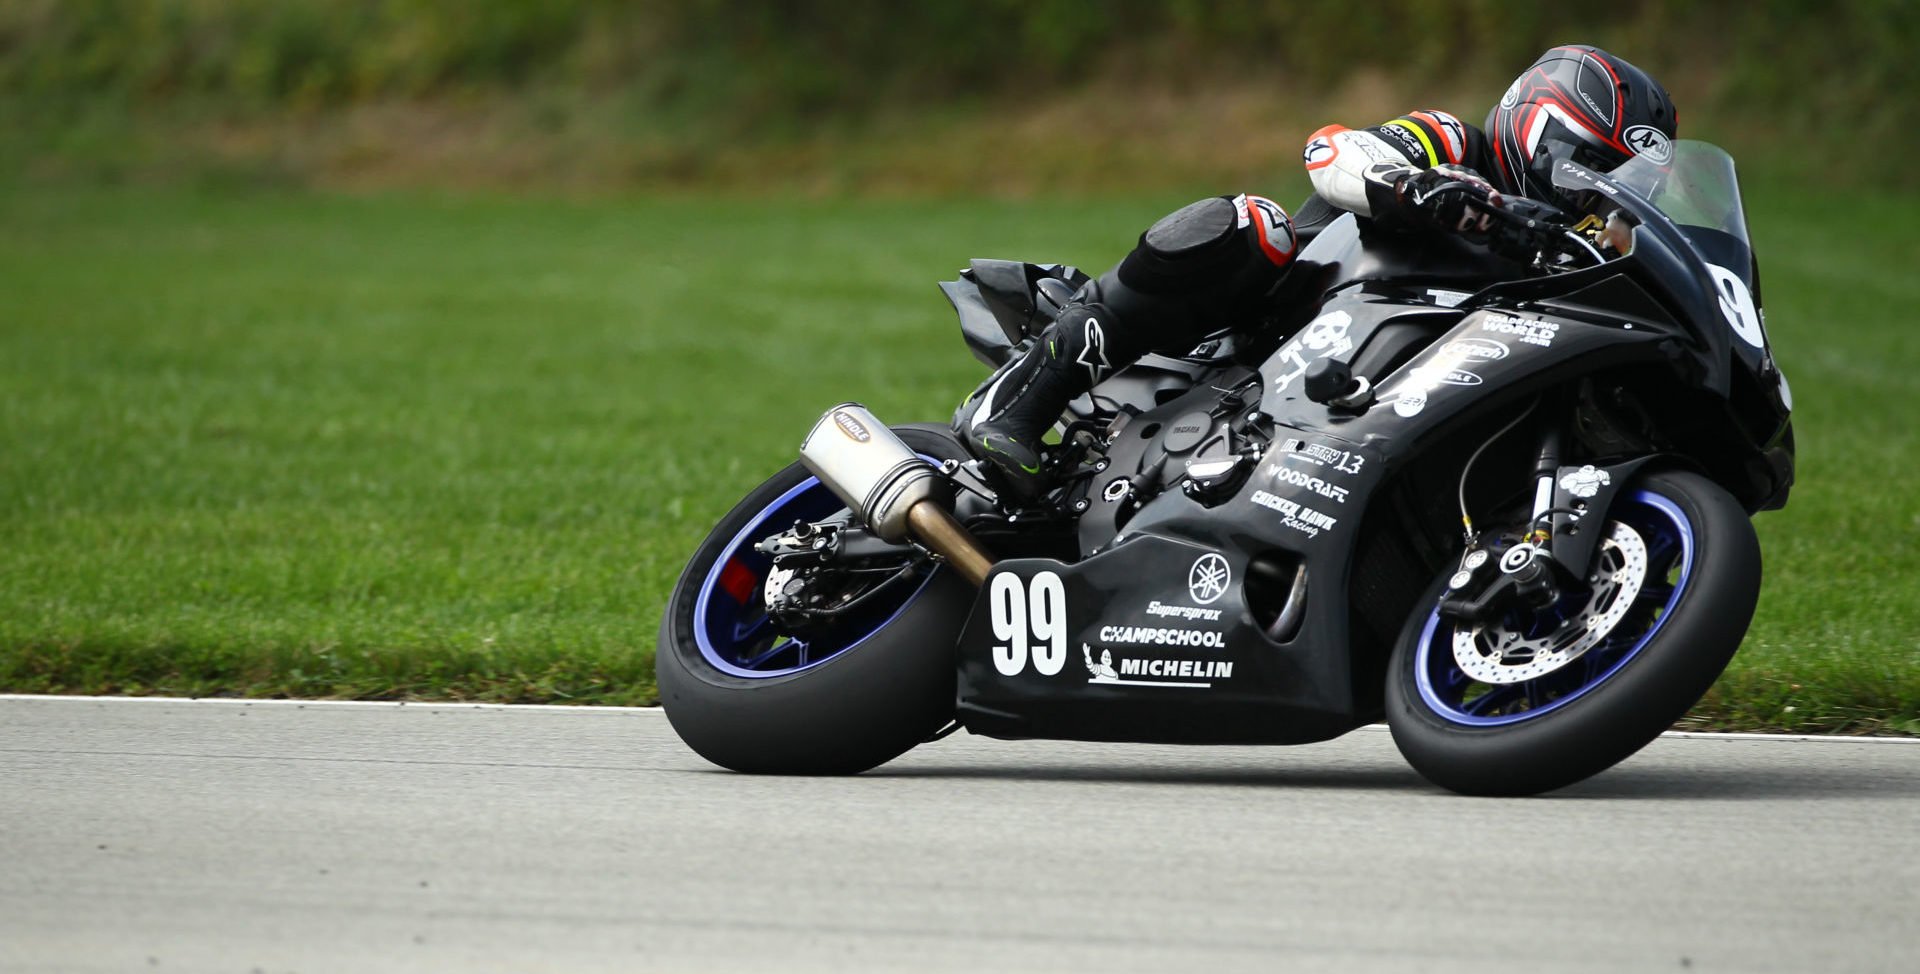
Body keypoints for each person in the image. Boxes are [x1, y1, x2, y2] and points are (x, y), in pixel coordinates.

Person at [956, 44, 1677, 501]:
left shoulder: (1571, 253)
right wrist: (1421, 186)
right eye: (1582, 162)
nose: (1587, 192)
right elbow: (1333, 152)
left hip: (1380, 396)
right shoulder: (1455, 141)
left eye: (1614, 182)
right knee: (1250, 223)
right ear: (1536, 126)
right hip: (1270, 322)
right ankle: (1014, 405)